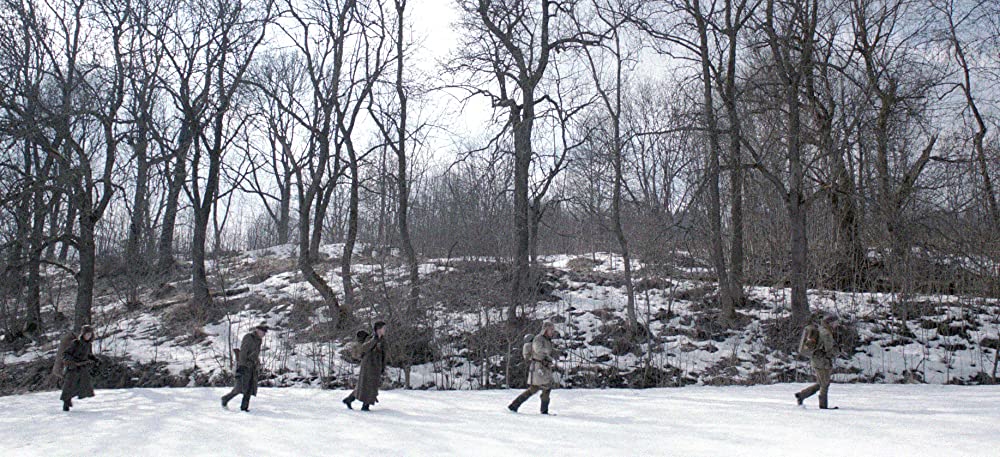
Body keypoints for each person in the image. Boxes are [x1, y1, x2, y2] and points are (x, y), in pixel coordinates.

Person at [508, 321, 558, 414]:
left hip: (544, 367)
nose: (552, 331)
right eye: (551, 329)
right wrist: (549, 353)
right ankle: (543, 411)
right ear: (545, 329)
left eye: (553, 329)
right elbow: (538, 350)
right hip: (538, 367)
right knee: (544, 387)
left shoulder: (547, 340)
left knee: (536, 388)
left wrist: (556, 354)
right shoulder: (538, 339)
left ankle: (514, 406)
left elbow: (547, 353)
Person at [795, 313, 839, 409]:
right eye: (835, 323)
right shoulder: (826, 333)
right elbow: (829, 350)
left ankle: (802, 395)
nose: (836, 325)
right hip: (823, 361)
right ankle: (823, 406)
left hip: (817, 360)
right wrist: (837, 351)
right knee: (825, 384)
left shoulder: (820, 329)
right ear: (830, 323)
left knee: (821, 383)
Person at [222, 322, 269, 411]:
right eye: (263, 331)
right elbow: (243, 352)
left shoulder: (259, 340)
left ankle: (244, 408)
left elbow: (256, 354)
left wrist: (257, 363)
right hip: (244, 365)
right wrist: (242, 365)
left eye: (264, 332)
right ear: (257, 330)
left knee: (249, 388)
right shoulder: (248, 337)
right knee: (239, 388)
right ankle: (225, 399)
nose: (264, 334)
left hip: (252, 366)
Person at [343, 321, 387, 411]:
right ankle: (365, 405)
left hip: (376, 365)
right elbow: (364, 348)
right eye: (383, 328)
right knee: (367, 385)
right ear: (378, 329)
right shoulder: (370, 338)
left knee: (370, 385)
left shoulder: (383, 340)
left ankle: (350, 399)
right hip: (368, 365)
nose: (385, 330)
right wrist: (375, 339)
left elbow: (384, 354)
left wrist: (383, 366)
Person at [61, 325, 97, 412]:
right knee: (69, 386)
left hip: (82, 368)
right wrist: (71, 361)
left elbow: (89, 355)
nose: (88, 336)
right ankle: (66, 402)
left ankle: (69, 399)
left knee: (82, 385)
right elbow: (66, 354)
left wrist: (95, 359)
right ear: (83, 334)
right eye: (86, 334)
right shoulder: (76, 343)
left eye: (90, 334)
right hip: (73, 367)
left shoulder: (89, 345)